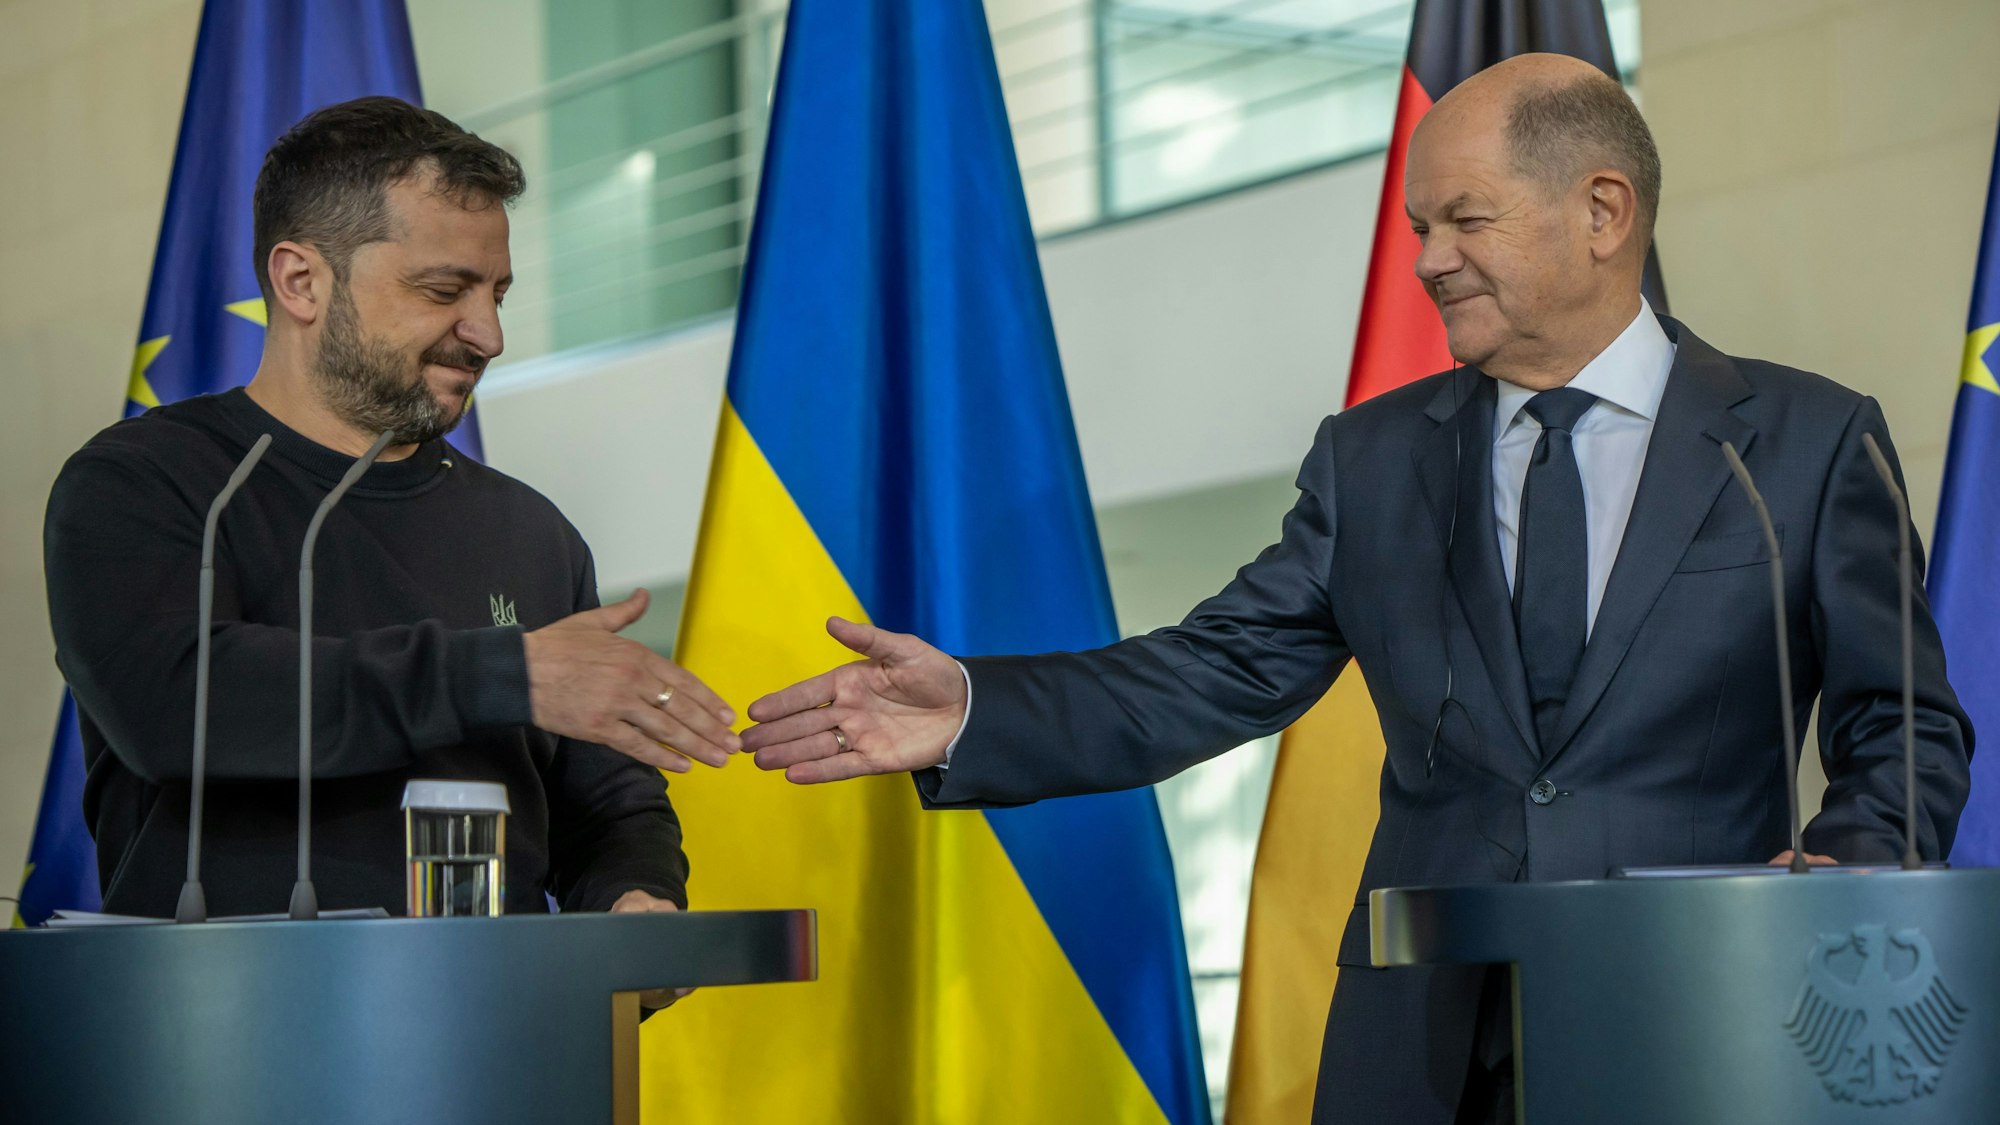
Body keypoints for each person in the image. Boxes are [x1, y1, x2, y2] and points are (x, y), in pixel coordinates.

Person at [736, 54, 1974, 1122]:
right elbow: (1210, 670)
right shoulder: (1371, 458)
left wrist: (1844, 873)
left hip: (1703, 1018)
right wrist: (970, 709)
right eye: (1416, 228)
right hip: (1419, 1044)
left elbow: (1902, 722)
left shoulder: (1804, 443)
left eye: (1462, 221)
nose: (1426, 261)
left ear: (1602, 210)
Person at [44, 98, 739, 964]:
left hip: (494, 1043)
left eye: (497, 293)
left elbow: (605, 803)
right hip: (217, 1050)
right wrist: (502, 671)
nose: (488, 333)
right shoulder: (149, 482)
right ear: (301, 281)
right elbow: (176, 702)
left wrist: (638, 894)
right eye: (445, 289)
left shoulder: (531, 532)